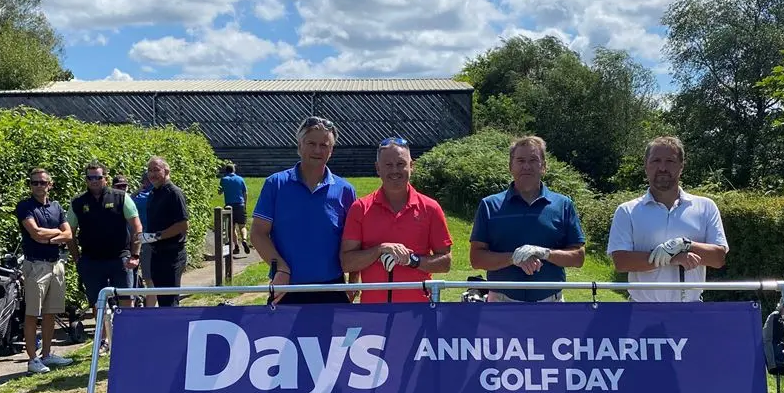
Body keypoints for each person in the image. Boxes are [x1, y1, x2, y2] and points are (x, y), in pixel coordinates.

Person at [607, 135, 729, 393]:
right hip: (644, 318)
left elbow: (720, 256)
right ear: (645, 167)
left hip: (692, 315)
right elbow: (621, 261)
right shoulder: (628, 210)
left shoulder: (704, 207)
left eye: (670, 162)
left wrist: (686, 245)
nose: (663, 168)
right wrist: (660, 258)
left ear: (681, 166)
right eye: (656, 161)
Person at [251, 116, 357, 304]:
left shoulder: (345, 190)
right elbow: (258, 234)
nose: (317, 150)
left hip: (332, 289)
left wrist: (354, 282)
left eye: (324, 145)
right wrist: (282, 268)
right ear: (299, 145)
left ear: (331, 151)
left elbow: (356, 242)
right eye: (311, 143)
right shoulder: (275, 184)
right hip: (287, 287)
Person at [469, 135, 586, 302]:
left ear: (544, 166)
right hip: (502, 302)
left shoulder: (563, 205)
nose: (526, 166)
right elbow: (477, 259)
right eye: (520, 160)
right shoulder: (489, 205)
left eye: (533, 160)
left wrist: (544, 253)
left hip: (550, 303)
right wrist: (514, 258)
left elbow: (578, 257)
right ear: (511, 166)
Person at [340, 137, 452, 303]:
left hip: (418, 311)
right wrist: (380, 250)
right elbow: (347, 263)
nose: (395, 170)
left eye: (400, 164)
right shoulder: (360, 208)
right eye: (388, 165)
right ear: (378, 168)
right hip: (373, 310)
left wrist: (412, 260)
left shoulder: (431, 208)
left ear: (411, 166)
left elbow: (445, 262)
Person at [68, 163, 142, 352]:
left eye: (98, 177)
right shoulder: (77, 202)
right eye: (90, 178)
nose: (94, 181)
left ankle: (128, 338)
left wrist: (135, 255)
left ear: (105, 179)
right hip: (92, 260)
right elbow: (69, 232)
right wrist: (77, 259)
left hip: (120, 258)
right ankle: (102, 341)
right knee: (97, 302)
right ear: (86, 180)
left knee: (126, 299)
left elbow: (137, 227)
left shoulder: (121, 197)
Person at [15, 168, 74, 375]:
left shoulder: (57, 206)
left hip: (55, 264)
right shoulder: (25, 206)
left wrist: (52, 236)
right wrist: (57, 233)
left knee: (51, 312)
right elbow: (35, 232)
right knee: (32, 313)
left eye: (42, 182)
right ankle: (32, 359)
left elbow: (68, 234)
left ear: (50, 184)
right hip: (35, 266)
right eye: (34, 183)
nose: (38, 186)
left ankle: (47, 354)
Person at [141, 156, 189, 307]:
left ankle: (174, 329)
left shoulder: (174, 193)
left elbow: (183, 225)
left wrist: (157, 236)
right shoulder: (154, 193)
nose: (152, 174)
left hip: (172, 255)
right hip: (157, 253)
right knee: (161, 298)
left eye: (156, 170)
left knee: (169, 300)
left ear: (166, 171)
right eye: (149, 170)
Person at [131, 171, 155, 306]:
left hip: (138, 240)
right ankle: (149, 308)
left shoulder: (138, 198)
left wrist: (136, 191)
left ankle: (146, 307)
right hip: (152, 240)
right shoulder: (159, 196)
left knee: (145, 278)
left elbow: (126, 201)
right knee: (151, 279)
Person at [218, 163, 250, 257]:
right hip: (240, 204)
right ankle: (244, 239)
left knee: (231, 228)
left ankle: (236, 246)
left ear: (226, 171)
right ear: (234, 170)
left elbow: (220, 192)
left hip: (229, 206)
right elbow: (245, 192)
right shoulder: (240, 179)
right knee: (242, 226)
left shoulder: (224, 179)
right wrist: (245, 204)